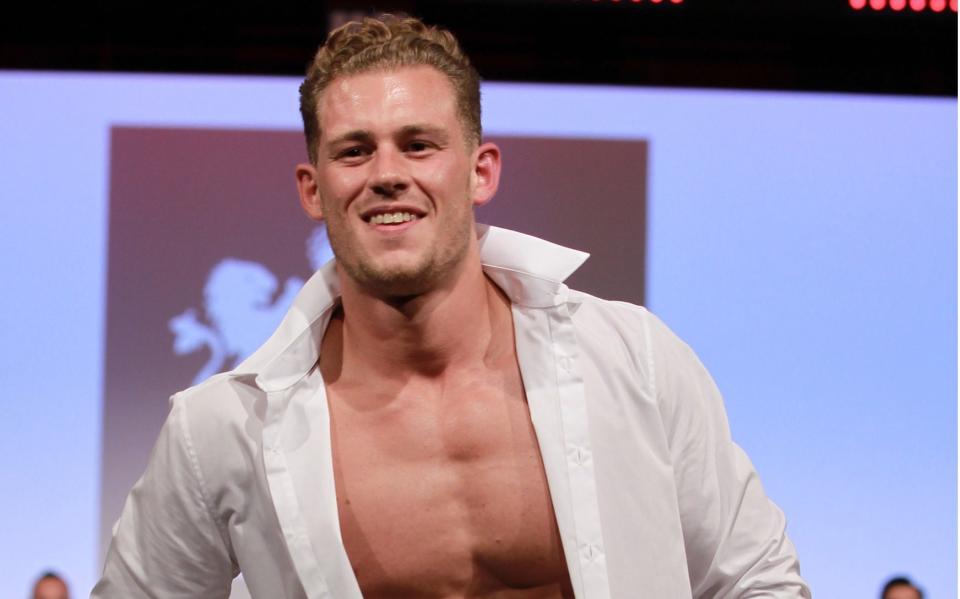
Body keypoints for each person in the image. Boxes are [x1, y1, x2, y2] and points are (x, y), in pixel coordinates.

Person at [93, 14, 810, 598]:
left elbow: (756, 579)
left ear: (480, 170)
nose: (387, 175)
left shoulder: (632, 357)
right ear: (313, 189)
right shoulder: (222, 428)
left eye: (418, 144)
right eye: (354, 151)